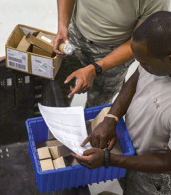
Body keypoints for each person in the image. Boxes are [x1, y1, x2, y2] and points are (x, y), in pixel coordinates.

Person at [53, 0, 170, 108]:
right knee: (59, 88)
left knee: (98, 103)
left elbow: (137, 43)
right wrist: (63, 26)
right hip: (75, 35)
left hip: (113, 53)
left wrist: (97, 68)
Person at [72, 11, 171, 194]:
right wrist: (111, 118)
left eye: (145, 63)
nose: (141, 66)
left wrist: (110, 160)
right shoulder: (154, 61)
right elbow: (134, 80)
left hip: (154, 177)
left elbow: (167, 161)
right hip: (129, 150)